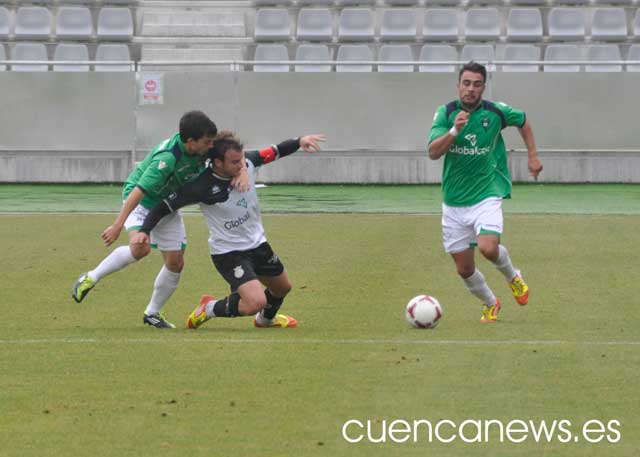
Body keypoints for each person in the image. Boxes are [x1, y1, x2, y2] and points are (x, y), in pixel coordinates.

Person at [72, 111, 247, 328]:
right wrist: (118, 225)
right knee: (140, 248)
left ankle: (152, 313)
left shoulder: (204, 146)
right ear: (191, 142)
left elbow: (234, 147)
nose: (212, 145)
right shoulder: (167, 158)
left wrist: (243, 172)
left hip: (166, 206)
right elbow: (138, 191)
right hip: (141, 204)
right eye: (207, 141)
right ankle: (90, 277)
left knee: (176, 262)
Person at [135, 131, 326, 329]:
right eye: (235, 162)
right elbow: (164, 206)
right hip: (229, 252)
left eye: (242, 159)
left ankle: (265, 321)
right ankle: (208, 308)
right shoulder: (202, 186)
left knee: (282, 288)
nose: (241, 164)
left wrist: (299, 141)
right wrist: (144, 230)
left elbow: (276, 151)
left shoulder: (248, 163)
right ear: (218, 163)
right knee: (255, 302)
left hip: (258, 244)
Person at [427, 62, 543, 323]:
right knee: (464, 269)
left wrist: (533, 156)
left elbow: (523, 120)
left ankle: (513, 276)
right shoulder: (445, 113)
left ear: (483, 87)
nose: (470, 89)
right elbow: (433, 152)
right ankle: (491, 303)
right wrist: (455, 130)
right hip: (454, 202)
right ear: (458, 86)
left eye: (476, 84)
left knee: (488, 248)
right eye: (466, 83)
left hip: (486, 193)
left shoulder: (495, 112)